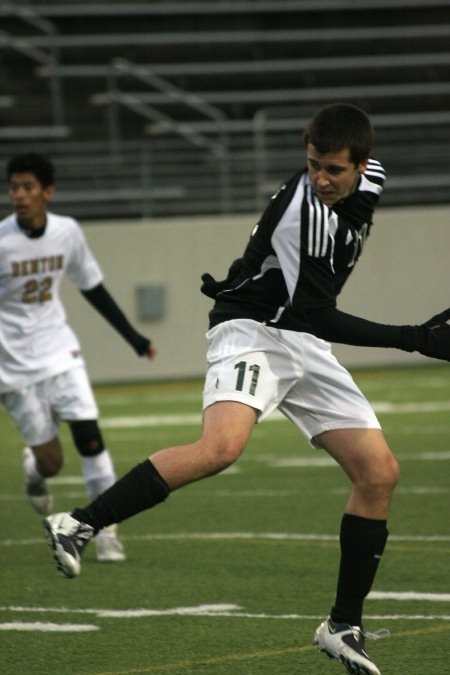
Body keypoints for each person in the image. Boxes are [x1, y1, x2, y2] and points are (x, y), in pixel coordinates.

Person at [43, 105, 449, 674]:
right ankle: (79, 522)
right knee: (220, 449)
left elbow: (312, 315)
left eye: (334, 169)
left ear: (362, 164)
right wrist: (416, 339)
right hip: (252, 330)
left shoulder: (370, 180)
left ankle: (342, 625)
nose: (321, 179)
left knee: (378, 472)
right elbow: (318, 315)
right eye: (312, 165)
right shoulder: (299, 214)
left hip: (298, 335)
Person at [0, 152, 156, 563]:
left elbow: (93, 288)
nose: (19, 195)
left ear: (47, 192)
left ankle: (102, 531)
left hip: (59, 351)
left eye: (28, 187)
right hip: (12, 365)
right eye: (14, 187)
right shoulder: (1, 242)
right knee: (52, 462)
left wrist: (133, 338)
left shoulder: (67, 232)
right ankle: (35, 469)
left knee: (90, 436)